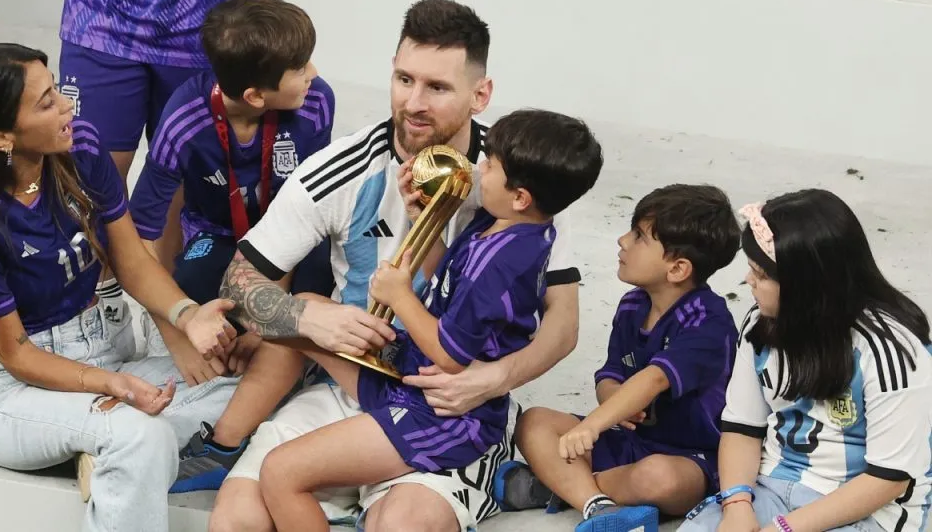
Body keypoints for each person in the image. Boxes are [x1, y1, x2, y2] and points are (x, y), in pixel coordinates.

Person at [202, 0, 587, 532]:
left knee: (402, 524)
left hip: (450, 408)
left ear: (481, 94)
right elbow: (238, 279)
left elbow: (563, 324)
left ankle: (490, 473)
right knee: (235, 522)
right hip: (354, 386)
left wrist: (494, 379)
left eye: (437, 87)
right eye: (404, 78)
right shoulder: (343, 167)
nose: (413, 102)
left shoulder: (520, 178)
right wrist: (307, 319)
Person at [0, 43, 242, 532]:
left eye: (58, 89)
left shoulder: (81, 146)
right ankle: (123, 447)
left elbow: (130, 260)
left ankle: (107, 451)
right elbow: (17, 354)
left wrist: (187, 315)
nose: (68, 105)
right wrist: (115, 387)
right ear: (0, 137)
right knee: (139, 436)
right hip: (20, 389)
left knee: (251, 375)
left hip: (109, 345)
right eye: (46, 102)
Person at [256, 108, 603, 531]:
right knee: (302, 315)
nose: (479, 169)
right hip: (411, 375)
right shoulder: (500, 225)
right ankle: (234, 434)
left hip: (441, 416)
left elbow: (451, 357)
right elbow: (447, 280)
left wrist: (400, 297)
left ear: (520, 197)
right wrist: (426, 222)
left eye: (490, 166)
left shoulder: (501, 265)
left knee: (281, 472)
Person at [678, 189, 932, 532]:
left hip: (864, 510)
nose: (748, 281)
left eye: (762, 274)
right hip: (770, 487)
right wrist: (737, 504)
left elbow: (888, 479)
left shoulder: (891, 349)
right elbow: (742, 428)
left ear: (808, 285)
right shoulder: (759, 323)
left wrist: (783, 528)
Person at [491, 184, 742, 531]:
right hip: (629, 442)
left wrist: (592, 424)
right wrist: (612, 400)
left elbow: (654, 378)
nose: (622, 241)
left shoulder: (709, 320)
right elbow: (610, 373)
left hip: (691, 457)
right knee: (534, 421)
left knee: (660, 478)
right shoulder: (632, 305)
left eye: (639, 236)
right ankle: (597, 505)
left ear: (678, 269)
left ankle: (556, 487)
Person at [128, 0, 335, 400]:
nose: (313, 72)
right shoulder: (183, 121)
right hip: (221, 237)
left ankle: (279, 349)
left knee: (328, 268)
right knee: (187, 279)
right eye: (299, 67)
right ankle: (260, 343)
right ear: (257, 96)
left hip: (293, 239)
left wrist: (266, 322)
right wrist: (177, 336)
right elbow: (139, 237)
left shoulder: (316, 101)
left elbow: (305, 212)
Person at [57, 0, 271, 335]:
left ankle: (176, 306)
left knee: (188, 171)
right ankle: (99, 304)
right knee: (88, 169)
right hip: (102, 4)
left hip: (208, 11)